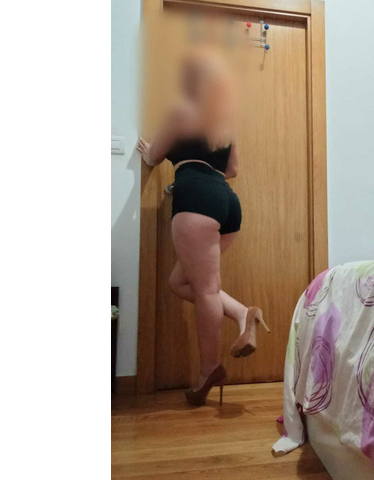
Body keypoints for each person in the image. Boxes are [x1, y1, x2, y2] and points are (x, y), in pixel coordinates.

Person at [137, 49, 269, 406]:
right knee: (180, 282)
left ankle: (209, 370)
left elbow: (153, 155)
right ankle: (242, 313)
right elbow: (233, 170)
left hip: (195, 198)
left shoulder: (180, 109)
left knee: (207, 290)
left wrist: (148, 150)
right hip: (227, 203)